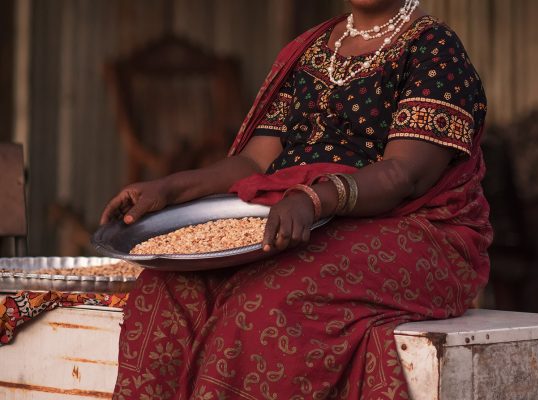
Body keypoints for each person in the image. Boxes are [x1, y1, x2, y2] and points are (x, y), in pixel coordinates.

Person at [101, 0, 492, 398]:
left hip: (414, 231)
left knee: (263, 306)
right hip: (302, 217)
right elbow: (256, 161)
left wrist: (315, 199)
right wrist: (168, 189)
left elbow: (404, 174)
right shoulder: (312, 50)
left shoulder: (433, 50)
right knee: (162, 290)